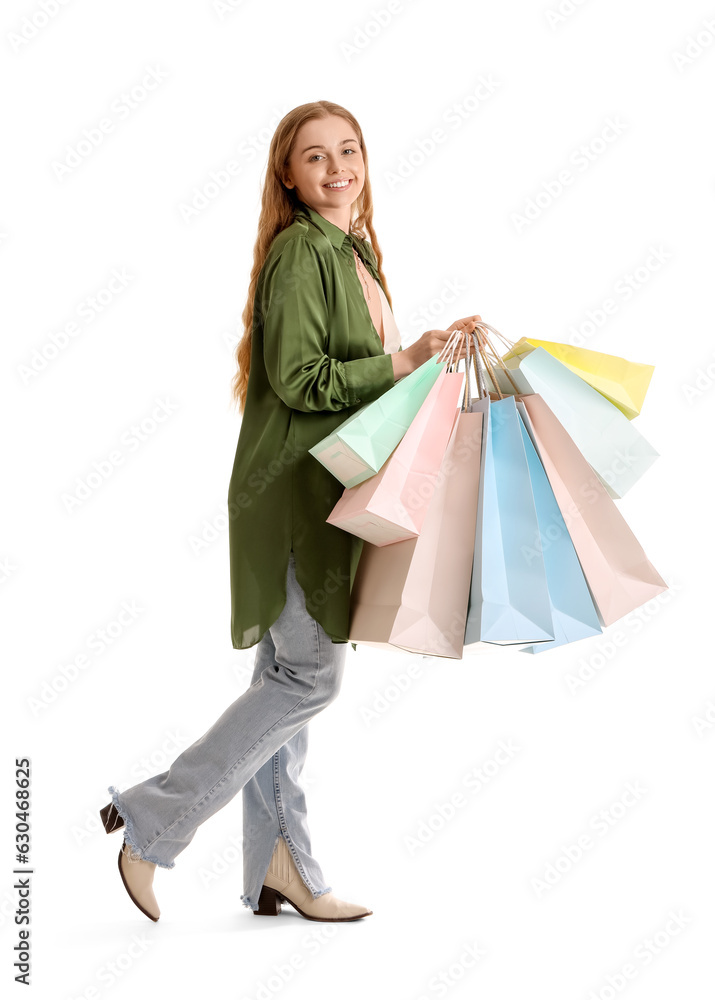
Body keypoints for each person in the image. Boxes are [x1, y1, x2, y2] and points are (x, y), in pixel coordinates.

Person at [99, 99, 481, 924]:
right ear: (288, 174)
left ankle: (281, 867)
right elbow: (303, 379)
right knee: (309, 676)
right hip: (292, 498)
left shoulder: (352, 252)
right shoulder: (302, 252)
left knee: (283, 678)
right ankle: (150, 819)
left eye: (349, 150)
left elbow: (365, 375)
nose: (337, 166)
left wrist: (424, 355)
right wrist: (400, 360)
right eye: (315, 156)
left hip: (322, 492)